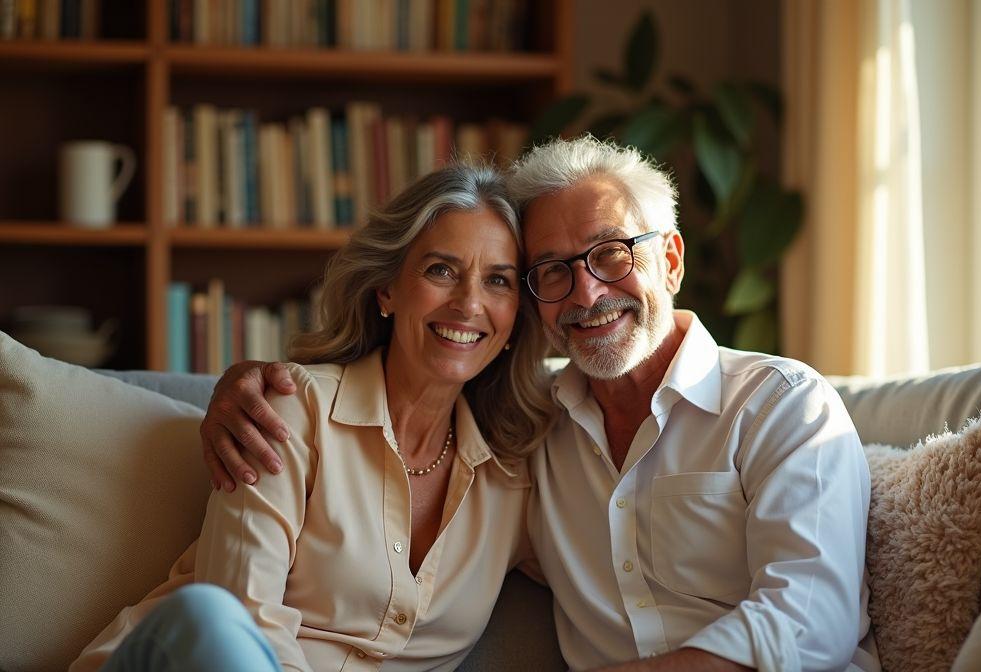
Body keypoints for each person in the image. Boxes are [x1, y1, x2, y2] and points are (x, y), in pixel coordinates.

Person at [203, 137, 880, 672]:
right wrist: (238, 385)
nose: (585, 295)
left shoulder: (780, 406)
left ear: (670, 261)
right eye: (552, 270)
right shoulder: (530, 436)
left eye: (611, 254)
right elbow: (229, 623)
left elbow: (811, 620)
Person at [70, 163, 556, 672]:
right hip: (198, 657)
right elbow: (241, 611)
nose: (469, 303)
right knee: (210, 615)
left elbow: (611, 564)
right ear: (387, 290)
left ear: (515, 316)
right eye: (441, 270)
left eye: (497, 281)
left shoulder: (515, 473)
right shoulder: (291, 408)